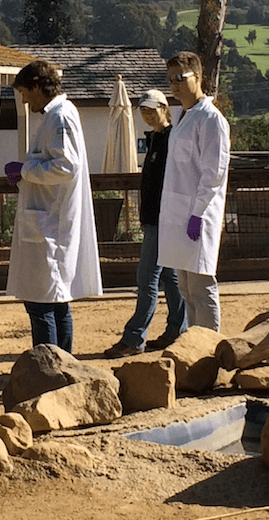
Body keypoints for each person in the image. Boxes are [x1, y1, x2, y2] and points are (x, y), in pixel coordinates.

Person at [4, 59, 102, 353]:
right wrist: (27, 170)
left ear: (37, 87)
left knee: (41, 303)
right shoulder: (55, 115)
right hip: (48, 217)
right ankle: (63, 362)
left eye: (24, 92)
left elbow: (65, 166)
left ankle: (48, 365)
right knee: (56, 302)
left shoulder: (59, 117)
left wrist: (25, 170)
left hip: (50, 222)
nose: (23, 99)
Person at [103, 89, 188, 358]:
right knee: (170, 278)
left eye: (152, 109)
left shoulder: (170, 139)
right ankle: (177, 330)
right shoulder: (155, 140)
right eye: (143, 110)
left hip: (164, 219)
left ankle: (134, 337)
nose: (147, 114)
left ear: (164, 108)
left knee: (148, 278)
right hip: (156, 219)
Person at [157, 52, 230, 331]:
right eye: (170, 79)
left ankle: (209, 346)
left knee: (201, 285)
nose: (174, 85)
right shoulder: (180, 117)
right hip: (177, 213)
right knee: (185, 288)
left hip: (198, 215)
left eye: (181, 78)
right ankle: (193, 342)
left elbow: (214, 173)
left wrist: (198, 213)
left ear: (197, 77)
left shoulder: (211, 119)